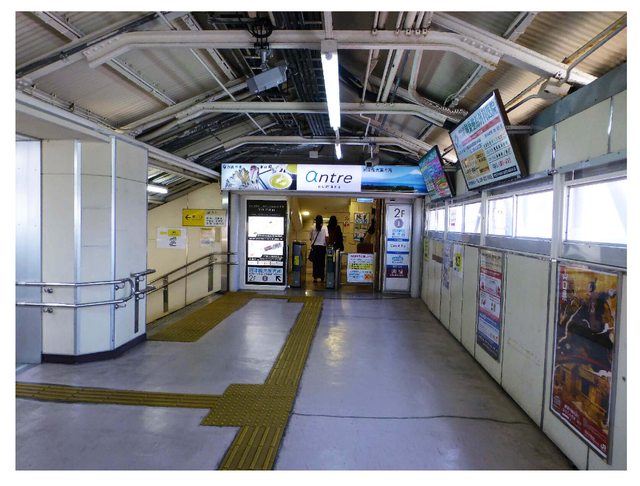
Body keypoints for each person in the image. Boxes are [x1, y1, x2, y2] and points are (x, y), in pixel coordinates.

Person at [309, 215, 329, 283]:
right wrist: (327, 245)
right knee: (322, 263)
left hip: (315, 247)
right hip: (322, 247)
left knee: (315, 263)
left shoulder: (312, 227)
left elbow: (310, 238)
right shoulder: (324, 227)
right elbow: (327, 237)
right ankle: (322, 277)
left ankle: (315, 278)